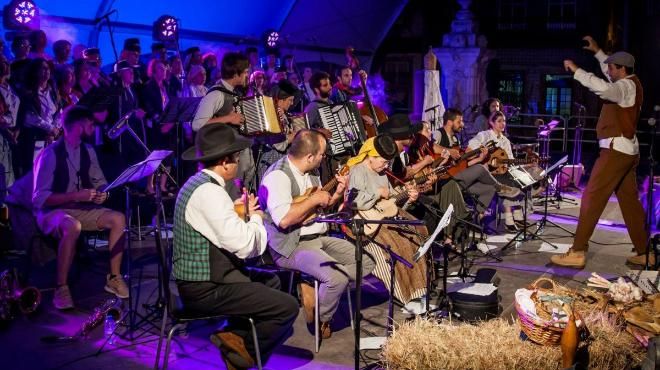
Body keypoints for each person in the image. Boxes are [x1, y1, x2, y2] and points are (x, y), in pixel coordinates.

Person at [174, 124, 298, 370]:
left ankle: (233, 336)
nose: (240, 161)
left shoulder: (199, 184)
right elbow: (244, 247)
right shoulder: (209, 193)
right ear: (224, 162)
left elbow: (221, 228)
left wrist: (241, 213)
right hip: (204, 288)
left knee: (271, 282)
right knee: (287, 307)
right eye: (237, 157)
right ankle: (242, 355)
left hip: (210, 277)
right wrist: (256, 219)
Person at [259, 129, 375, 339]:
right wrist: (312, 200)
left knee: (366, 261)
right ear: (310, 156)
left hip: (318, 237)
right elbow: (284, 219)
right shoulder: (278, 176)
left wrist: (338, 192)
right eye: (322, 154)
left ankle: (319, 289)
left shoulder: (312, 172)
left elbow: (321, 205)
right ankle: (321, 317)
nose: (324, 158)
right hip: (291, 245)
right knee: (337, 278)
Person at [551, 36, 649, 268]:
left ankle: (577, 251)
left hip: (616, 151)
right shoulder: (630, 83)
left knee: (592, 197)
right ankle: (645, 251)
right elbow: (609, 77)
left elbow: (605, 89)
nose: (609, 71)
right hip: (627, 150)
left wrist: (577, 71)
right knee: (629, 202)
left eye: (612, 68)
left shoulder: (624, 86)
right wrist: (597, 52)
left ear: (622, 70)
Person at [32, 106, 128, 309]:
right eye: (90, 124)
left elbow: (100, 181)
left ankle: (114, 277)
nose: (93, 128)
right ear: (78, 125)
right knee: (72, 225)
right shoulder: (50, 154)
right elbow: (40, 199)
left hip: (80, 208)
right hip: (52, 212)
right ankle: (61, 287)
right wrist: (75, 195)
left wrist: (103, 193)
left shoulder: (88, 150)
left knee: (118, 218)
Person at [345, 134, 428, 304]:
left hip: (384, 216)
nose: (386, 166)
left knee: (418, 231)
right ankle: (405, 294)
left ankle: (420, 289)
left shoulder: (382, 172)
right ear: (371, 157)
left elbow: (390, 204)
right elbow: (353, 201)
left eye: (388, 162)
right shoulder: (358, 171)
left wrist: (408, 198)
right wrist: (377, 193)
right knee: (399, 244)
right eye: (383, 161)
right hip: (364, 222)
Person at [437, 108, 520, 221]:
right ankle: (500, 187)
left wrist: (480, 158)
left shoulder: (456, 139)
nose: (462, 124)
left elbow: (463, 164)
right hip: (446, 179)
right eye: (459, 121)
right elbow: (432, 147)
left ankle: (476, 219)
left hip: (459, 176)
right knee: (480, 168)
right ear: (450, 122)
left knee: (490, 189)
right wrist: (448, 151)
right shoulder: (438, 134)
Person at [191, 52, 254, 197]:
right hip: (222, 158)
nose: (247, 76)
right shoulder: (216, 94)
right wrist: (228, 118)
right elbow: (197, 124)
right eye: (245, 72)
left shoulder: (233, 92)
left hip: (235, 156)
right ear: (236, 73)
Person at [467, 110, 525, 232]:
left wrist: (524, 164)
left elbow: (510, 160)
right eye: (499, 121)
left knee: (518, 178)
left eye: (504, 121)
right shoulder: (485, 135)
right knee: (508, 181)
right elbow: (470, 146)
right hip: (485, 172)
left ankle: (517, 215)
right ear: (491, 122)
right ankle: (510, 219)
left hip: (500, 172)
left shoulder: (505, 141)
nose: (503, 124)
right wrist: (484, 156)